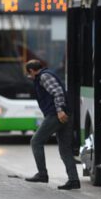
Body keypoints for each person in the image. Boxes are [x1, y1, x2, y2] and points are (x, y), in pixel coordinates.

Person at [24, 59, 80, 190]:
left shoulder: (44, 76)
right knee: (65, 149)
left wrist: (59, 110)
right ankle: (74, 180)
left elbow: (58, 92)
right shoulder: (44, 75)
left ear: (32, 71)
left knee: (36, 141)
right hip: (65, 113)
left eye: (29, 73)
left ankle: (42, 174)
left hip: (56, 114)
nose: (29, 76)